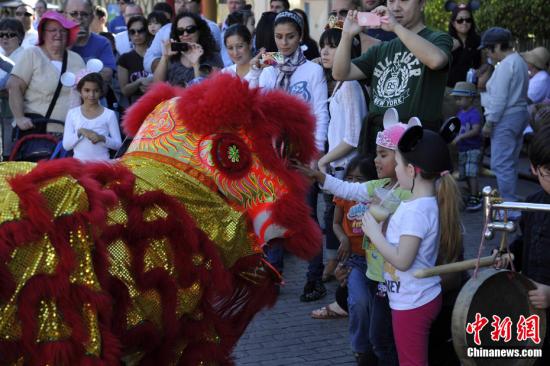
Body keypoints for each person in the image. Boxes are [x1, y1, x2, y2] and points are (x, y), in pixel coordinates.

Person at [362, 120, 462, 366]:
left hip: (413, 301)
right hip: (418, 295)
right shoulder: (424, 205)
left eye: (397, 164)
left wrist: (374, 232)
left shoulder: (416, 211)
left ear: (411, 170)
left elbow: (402, 260)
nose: (395, 169)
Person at [259, 11, 329, 302]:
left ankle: (314, 278)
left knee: (308, 217)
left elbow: (320, 112)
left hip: (304, 153)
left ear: (300, 37)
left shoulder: (312, 71)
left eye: (290, 36)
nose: (284, 42)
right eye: (279, 37)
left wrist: (317, 152)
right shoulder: (268, 70)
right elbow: (259, 110)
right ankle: (273, 275)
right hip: (274, 156)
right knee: (275, 215)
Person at [333, 1, 453, 156]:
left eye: (403, 0)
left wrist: (396, 27)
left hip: (415, 142)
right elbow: (340, 73)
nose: (395, 7)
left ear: (422, 3)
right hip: (378, 143)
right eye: (391, 1)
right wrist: (347, 34)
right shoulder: (382, 49)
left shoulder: (437, 38)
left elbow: (436, 60)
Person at [317, 26, 366, 282]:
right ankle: (337, 265)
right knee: (334, 219)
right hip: (337, 168)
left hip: (346, 171)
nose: (325, 51)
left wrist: (323, 160)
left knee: (344, 223)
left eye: (332, 45)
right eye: (323, 45)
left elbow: (353, 137)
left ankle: (343, 269)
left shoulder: (349, 85)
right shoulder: (340, 84)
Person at [311, 156, 377, 320]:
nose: (354, 183)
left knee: (374, 301)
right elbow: (335, 223)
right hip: (354, 256)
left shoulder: (376, 196)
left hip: (375, 257)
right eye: (349, 178)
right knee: (358, 300)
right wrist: (344, 239)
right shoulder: (343, 197)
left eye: (360, 179)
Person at [7, 10, 84, 135]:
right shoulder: (32, 54)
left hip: (72, 134)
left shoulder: (76, 59)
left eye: (63, 30)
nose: (58, 34)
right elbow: (14, 86)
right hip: (39, 133)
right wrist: (20, 118)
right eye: (53, 30)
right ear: (43, 33)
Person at [480, 27, 529, 208]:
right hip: (519, 114)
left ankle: (509, 206)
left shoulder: (506, 65)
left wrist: (489, 122)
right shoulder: (519, 62)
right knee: (510, 161)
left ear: (498, 46)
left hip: (505, 117)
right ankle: (511, 202)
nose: (487, 52)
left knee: (501, 163)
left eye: (488, 48)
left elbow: (499, 100)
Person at [144, 0, 222, 73]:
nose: (182, 4)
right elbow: (148, 60)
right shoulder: (164, 29)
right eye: (178, 1)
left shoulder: (210, 27)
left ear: (199, 5)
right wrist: (164, 62)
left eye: (187, 1)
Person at [153, 12, 222, 87]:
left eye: (190, 29)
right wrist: (165, 57)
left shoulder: (212, 56)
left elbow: (206, 90)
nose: (185, 34)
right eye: (180, 31)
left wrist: (196, 64)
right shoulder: (173, 55)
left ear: (199, 31)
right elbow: (156, 86)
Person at [63, 72, 121, 161]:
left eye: (96, 91)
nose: (91, 95)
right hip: (79, 166)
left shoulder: (109, 114)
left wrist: (102, 138)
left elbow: (118, 145)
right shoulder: (72, 113)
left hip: (103, 166)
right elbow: (66, 146)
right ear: (80, 91)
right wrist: (80, 132)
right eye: (87, 90)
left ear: (101, 92)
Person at [64, 0, 116, 88]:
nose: (79, 17)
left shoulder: (102, 42)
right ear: (64, 16)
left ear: (91, 17)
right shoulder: (58, 41)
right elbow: (52, 70)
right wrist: (71, 42)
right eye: (74, 13)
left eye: (84, 14)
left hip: (93, 98)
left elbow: (107, 74)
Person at [449, 81, 483, 211]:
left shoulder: (474, 113)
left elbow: (475, 130)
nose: (457, 101)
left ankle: (475, 196)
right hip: (463, 148)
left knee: (471, 172)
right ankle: (473, 193)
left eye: (459, 98)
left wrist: (460, 137)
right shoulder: (460, 113)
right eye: (456, 99)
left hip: (473, 148)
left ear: (469, 98)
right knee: (466, 173)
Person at [117, 16, 152, 105]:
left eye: (140, 31)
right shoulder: (124, 59)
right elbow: (124, 90)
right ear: (129, 34)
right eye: (132, 32)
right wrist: (139, 82)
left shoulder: (156, 55)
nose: (136, 34)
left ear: (147, 31)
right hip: (135, 108)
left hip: (158, 106)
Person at [446, 2, 481, 88]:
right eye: (460, 20)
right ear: (453, 23)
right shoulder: (447, 40)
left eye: (468, 20)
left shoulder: (478, 41)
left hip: (472, 90)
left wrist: (480, 71)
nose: (464, 23)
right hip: (450, 90)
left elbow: (484, 63)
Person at [0, 18, 25, 88]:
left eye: (10, 35)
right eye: (1, 34)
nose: (4, 37)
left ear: (20, 37)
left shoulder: (25, 56)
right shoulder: (1, 54)